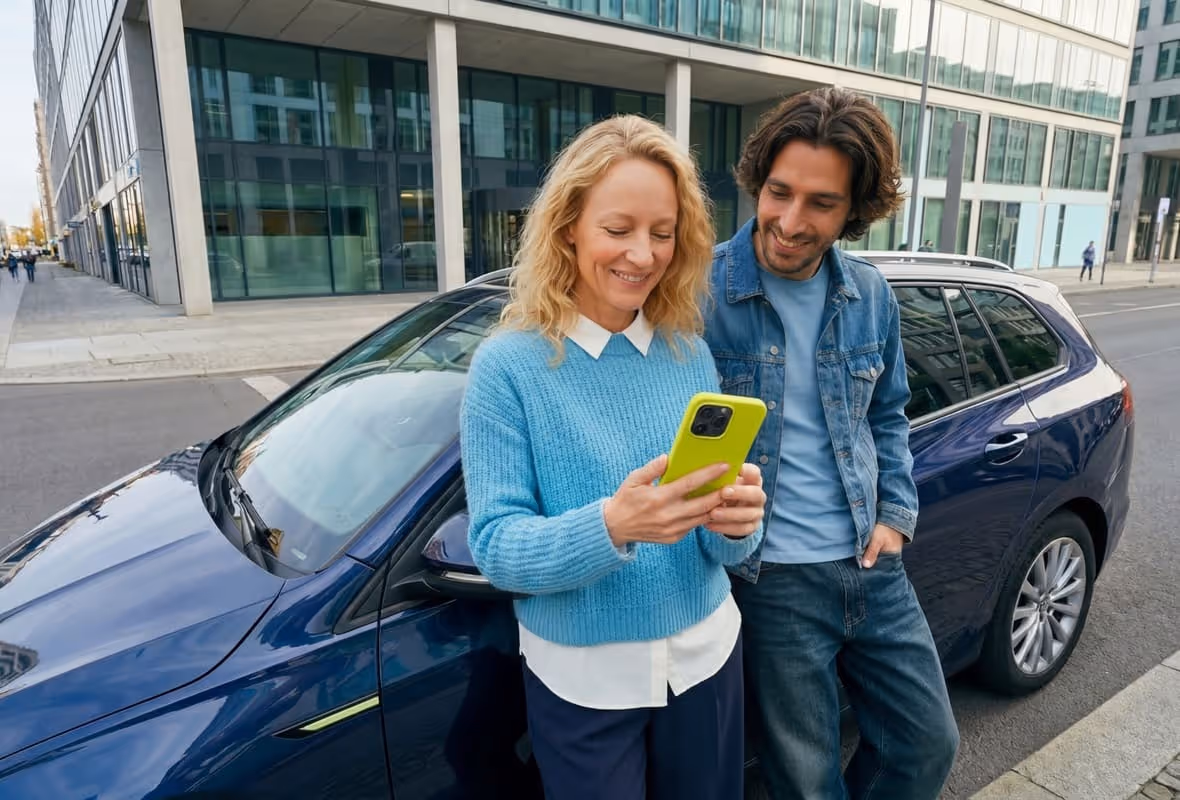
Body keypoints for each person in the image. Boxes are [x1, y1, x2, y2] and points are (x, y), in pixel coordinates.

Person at [461, 115, 767, 800]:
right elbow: (496, 547)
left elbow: (728, 547)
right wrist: (613, 526)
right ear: (569, 225)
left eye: (663, 234)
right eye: (618, 228)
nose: (643, 254)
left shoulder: (689, 350)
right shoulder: (507, 367)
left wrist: (740, 524)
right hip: (583, 681)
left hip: (706, 658)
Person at [705, 87, 959, 800]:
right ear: (759, 180)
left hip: (871, 564)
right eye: (779, 192)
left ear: (854, 211)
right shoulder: (698, 294)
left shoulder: (871, 296)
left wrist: (896, 516)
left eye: (821, 202)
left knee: (927, 745)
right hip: (772, 581)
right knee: (806, 784)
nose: (790, 221)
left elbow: (888, 414)